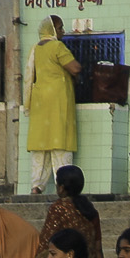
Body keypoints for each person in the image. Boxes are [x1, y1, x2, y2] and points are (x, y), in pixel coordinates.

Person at [25, 16, 80, 194]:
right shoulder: (57, 46)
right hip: (58, 104)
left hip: (40, 105)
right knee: (60, 147)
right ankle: (65, 188)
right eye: (60, 28)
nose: (63, 31)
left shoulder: (35, 49)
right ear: (52, 30)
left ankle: (36, 187)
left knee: (40, 151)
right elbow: (75, 68)